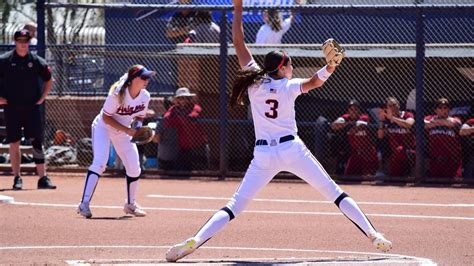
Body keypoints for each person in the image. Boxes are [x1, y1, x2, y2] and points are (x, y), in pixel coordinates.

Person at [165, 0, 392, 261]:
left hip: (263, 154)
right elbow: (314, 82)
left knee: (234, 206)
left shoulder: (254, 81)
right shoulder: (288, 85)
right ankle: (374, 235)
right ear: (282, 67)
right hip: (291, 149)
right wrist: (330, 67)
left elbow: (238, 42)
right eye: (290, 64)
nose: (291, 67)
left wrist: (237, 9)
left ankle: (196, 239)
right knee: (335, 193)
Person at [76, 64, 155, 218]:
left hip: (123, 131)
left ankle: (130, 204)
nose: (147, 80)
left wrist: (137, 127)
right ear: (133, 80)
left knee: (134, 167)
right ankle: (83, 204)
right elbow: (106, 117)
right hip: (103, 128)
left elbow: (139, 116)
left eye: (148, 77)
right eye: (143, 77)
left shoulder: (145, 96)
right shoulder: (117, 94)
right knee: (100, 162)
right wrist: (127, 130)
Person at [0, 29, 56, 190]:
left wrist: (43, 96)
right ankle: (17, 177)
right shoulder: (5, 60)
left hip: (32, 108)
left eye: (26, 41)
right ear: (15, 42)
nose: (23, 44)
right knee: (14, 142)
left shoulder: (36, 61)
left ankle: (42, 178)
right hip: (12, 108)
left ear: (29, 43)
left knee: (36, 141)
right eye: (20, 41)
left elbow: (48, 79)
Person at [161, 87, 208, 171]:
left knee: (200, 170)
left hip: (198, 145)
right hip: (184, 146)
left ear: (189, 99)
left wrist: (181, 118)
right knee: (183, 171)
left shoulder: (194, 107)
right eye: (180, 98)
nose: (183, 100)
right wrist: (178, 117)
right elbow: (166, 119)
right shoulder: (174, 109)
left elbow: (194, 115)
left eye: (185, 98)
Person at [331, 100, 378, 176]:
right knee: (349, 176)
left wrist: (348, 124)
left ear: (359, 110)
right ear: (348, 110)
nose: (353, 111)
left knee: (368, 176)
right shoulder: (346, 117)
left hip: (368, 152)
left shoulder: (364, 117)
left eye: (355, 109)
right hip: (355, 153)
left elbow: (358, 127)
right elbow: (334, 126)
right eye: (351, 109)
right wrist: (348, 123)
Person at [377, 97, 415, 177]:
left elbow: (408, 124)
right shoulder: (386, 119)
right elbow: (380, 136)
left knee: (400, 151)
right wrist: (381, 121)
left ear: (399, 106)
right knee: (394, 175)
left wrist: (393, 118)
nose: (392, 108)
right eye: (389, 106)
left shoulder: (407, 114)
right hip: (395, 152)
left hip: (409, 150)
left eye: (394, 105)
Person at [424, 98, 462, 178]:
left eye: (445, 108)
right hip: (435, 159)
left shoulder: (456, 118)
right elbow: (424, 124)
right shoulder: (429, 118)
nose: (443, 110)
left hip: (452, 159)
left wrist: (435, 123)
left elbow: (454, 124)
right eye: (440, 108)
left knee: (454, 182)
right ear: (435, 110)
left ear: (449, 109)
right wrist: (443, 122)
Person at [153, 96, 180, 170]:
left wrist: (152, 137)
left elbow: (156, 139)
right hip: (178, 154)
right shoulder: (181, 118)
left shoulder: (162, 120)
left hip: (164, 155)